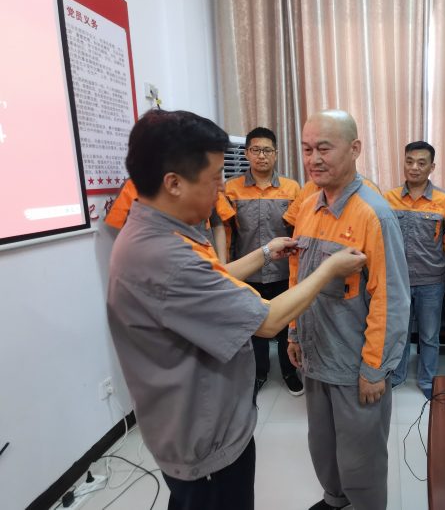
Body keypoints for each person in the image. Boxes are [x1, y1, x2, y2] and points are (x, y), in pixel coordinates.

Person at [107, 109, 365, 510]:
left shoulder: (155, 232)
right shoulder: (164, 256)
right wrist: (329, 269)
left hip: (189, 424)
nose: (220, 191)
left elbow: (211, 279)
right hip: (204, 438)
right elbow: (268, 320)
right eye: (214, 180)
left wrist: (265, 253)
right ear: (173, 183)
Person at [287, 110, 409, 510]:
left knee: (361, 457)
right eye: (307, 149)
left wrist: (375, 368)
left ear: (355, 148)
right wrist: (293, 332)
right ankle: (334, 500)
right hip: (314, 355)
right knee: (322, 445)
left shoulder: (374, 214)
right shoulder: (308, 207)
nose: (314, 159)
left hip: (354, 364)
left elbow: (391, 300)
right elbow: (297, 276)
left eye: (324, 148)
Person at [223, 128, 302, 395]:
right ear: (247, 153)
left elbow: (297, 231)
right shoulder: (231, 188)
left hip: (283, 271)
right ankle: (259, 372)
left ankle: (289, 371)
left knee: (286, 324)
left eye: (267, 150)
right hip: (248, 272)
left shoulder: (292, 188)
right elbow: (227, 233)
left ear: (276, 154)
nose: (261, 156)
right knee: (253, 325)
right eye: (255, 150)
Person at [384, 141, 445, 398]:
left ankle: (427, 380)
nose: (414, 167)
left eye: (421, 163)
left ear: (431, 167)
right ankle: (397, 375)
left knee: (429, 335)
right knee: (399, 332)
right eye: (409, 161)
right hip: (398, 280)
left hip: (431, 281)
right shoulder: (388, 198)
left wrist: (440, 268)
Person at [104, 177, 233, 259]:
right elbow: (125, 233)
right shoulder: (133, 185)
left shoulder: (204, 180)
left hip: (207, 263)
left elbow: (217, 224)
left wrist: (222, 265)